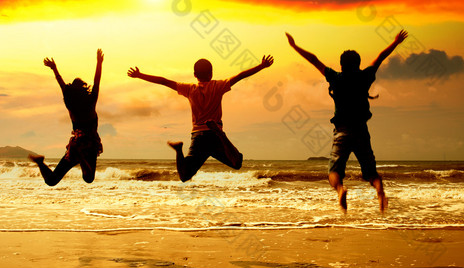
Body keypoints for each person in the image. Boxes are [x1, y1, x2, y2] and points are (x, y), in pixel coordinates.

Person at [286, 30, 408, 212]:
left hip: (342, 130)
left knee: (334, 172)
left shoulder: (335, 78)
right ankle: (380, 191)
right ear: (358, 64)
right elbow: (380, 57)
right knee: (371, 173)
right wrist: (396, 42)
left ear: (341, 65)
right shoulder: (365, 76)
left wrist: (294, 46)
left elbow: (314, 59)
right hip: (361, 130)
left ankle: (341, 190)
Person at [127, 55, 273, 181]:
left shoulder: (189, 89)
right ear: (211, 73)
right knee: (237, 163)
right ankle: (221, 133)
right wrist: (262, 66)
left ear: (195, 74)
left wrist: (140, 75)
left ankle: (178, 150)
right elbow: (240, 76)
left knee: (184, 176)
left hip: (198, 138)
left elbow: (164, 81)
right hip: (215, 135)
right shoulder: (218, 86)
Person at [29, 49, 104, 185]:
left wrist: (54, 68)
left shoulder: (70, 104)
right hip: (90, 144)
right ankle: (81, 157)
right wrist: (99, 63)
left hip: (77, 143)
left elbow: (61, 84)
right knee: (88, 178)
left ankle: (40, 163)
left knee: (51, 181)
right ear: (84, 90)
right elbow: (97, 81)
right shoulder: (91, 102)